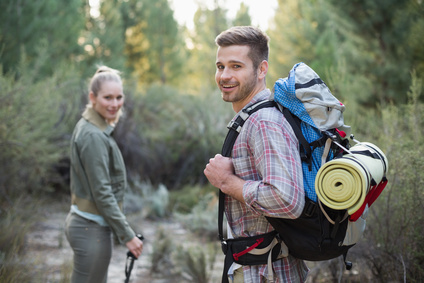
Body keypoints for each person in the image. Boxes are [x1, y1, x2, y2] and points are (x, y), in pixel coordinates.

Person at [204, 26, 308, 282]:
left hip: (269, 273)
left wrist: (227, 182)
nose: (224, 75)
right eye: (220, 66)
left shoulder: (264, 122)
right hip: (256, 268)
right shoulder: (250, 118)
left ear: (261, 70)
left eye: (236, 66)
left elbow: (288, 200)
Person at [65, 66, 143, 283]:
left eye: (119, 97)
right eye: (108, 97)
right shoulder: (93, 136)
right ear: (93, 97)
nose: (115, 104)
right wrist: (127, 235)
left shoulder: (93, 128)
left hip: (89, 225)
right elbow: (102, 193)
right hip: (90, 229)